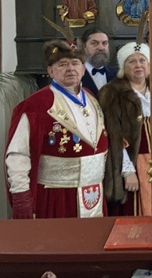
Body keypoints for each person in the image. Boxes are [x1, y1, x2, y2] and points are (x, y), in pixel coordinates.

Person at [6, 40, 108, 219]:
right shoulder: (35, 105)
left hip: (94, 195)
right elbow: (18, 155)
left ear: (83, 69)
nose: (70, 69)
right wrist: (21, 198)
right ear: (50, 71)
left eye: (75, 63)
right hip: (55, 198)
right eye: (62, 64)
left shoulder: (92, 98)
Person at [99, 42, 152, 216]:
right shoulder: (112, 92)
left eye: (142, 60)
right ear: (123, 67)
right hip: (135, 162)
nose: (138, 65)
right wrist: (128, 171)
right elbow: (114, 135)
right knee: (139, 213)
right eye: (132, 61)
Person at [79, 27, 117, 96]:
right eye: (94, 43)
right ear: (84, 46)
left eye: (104, 43)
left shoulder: (117, 75)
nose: (101, 48)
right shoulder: (75, 75)